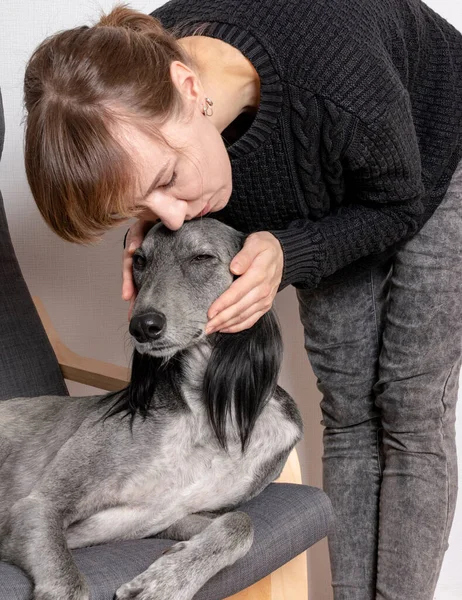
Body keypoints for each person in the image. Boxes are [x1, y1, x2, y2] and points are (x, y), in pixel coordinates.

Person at [22, 1, 462, 599]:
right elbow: (184, 205)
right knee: (350, 408)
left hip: (436, 144)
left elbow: (400, 202)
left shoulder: (336, 81)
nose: (174, 215)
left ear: (187, 88)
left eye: (167, 181)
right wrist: (152, 233)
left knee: (410, 404)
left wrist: (290, 252)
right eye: (145, 207)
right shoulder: (131, 71)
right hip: (326, 172)